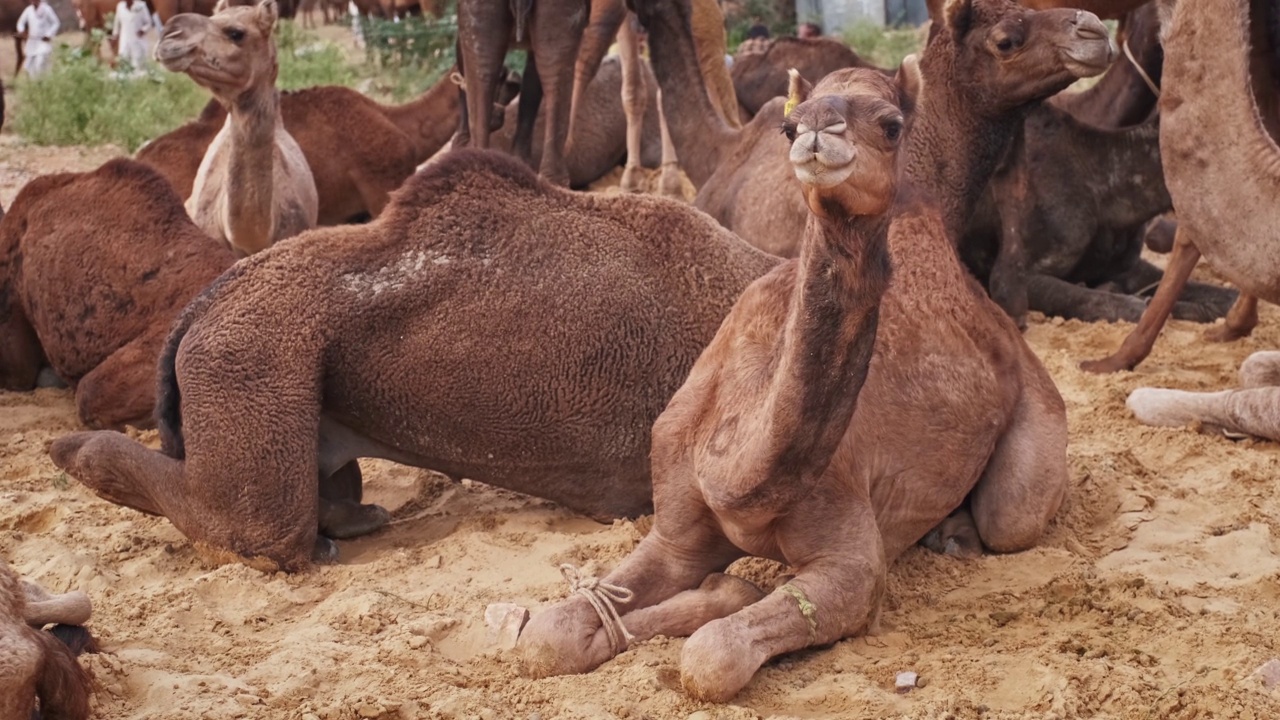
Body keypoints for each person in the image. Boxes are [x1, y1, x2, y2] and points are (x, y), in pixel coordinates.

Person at [16, 0, 60, 80]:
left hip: (43, 43)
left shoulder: (47, 9)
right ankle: (34, 87)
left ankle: (43, 85)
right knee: (29, 66)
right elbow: (20, 23)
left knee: (40, 64)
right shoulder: (28, 10)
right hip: (32, 43)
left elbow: (56, 23)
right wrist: (21, 31)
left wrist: (48, 35)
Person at [112, 0, 154, 72]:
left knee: (137, 63)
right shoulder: (120, 6)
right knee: (124, 60)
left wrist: (143, 30)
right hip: (124, 39)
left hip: (137, 40)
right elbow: (117, 23)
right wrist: (115, 35)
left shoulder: (141, 6)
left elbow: (149, 23)